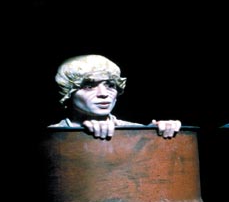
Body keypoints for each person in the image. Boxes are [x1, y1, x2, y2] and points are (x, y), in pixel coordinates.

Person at [49, 54, 181, 139]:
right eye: (89, 86)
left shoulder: (133, 131)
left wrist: (156, 133)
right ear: (68, 93)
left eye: (110, 85)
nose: (103, 94)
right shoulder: (51, 136)